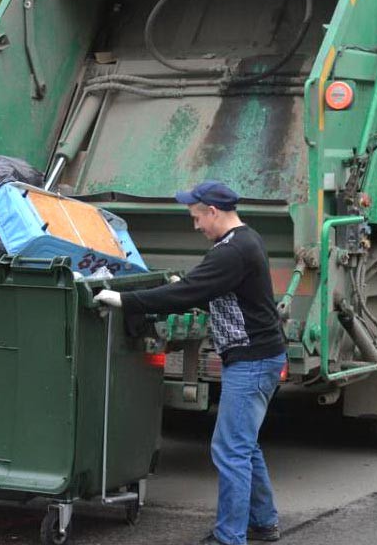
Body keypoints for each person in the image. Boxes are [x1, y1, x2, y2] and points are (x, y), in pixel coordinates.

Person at [94, 180, 287, 545]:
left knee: (230, 450)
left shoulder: (231, 251)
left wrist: (124, 300)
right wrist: (183, 285)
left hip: (251, 361)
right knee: (244, 445)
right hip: (259, 356)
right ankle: (263, 523)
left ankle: (230, 537)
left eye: (197, 217)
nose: (195, 225)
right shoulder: (243, 241)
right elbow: (203, 289)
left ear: (213, 212)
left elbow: (186, 294)